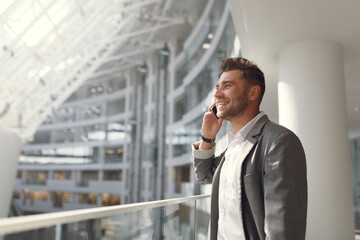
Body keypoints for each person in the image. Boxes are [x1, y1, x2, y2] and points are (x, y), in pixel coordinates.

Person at [192, 57, 307, 240]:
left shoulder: (279, 142)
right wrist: (207, 138)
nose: (217, 94)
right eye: (217, 87)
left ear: (253, 93)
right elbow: (203, 175)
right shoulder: (233, 146)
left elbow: (283, 230)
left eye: (227, 86)